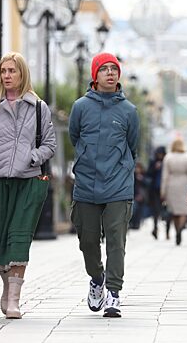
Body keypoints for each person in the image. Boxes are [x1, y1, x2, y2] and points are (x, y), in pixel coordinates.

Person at [0, 51, 56, 319]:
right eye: (3, 71)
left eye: (12, 71)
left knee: (18, 240)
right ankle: (7, 290)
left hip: (28, 183)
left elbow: (49, 145)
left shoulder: (38, 107)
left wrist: (31, 157)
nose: (7, 76)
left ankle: (14, 299)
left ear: (22, 74)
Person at [69, 52, 139, 318]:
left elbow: (132, 147)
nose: (110, 73)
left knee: (116, 241)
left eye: (114, 69)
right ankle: (96, 279)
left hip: (118, 186)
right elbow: (75, 136)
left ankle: (113, 293)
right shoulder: (80, 107)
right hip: (86, 184)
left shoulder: (129, 111)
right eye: (104, 69)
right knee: (87, 241)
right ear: (94, 76)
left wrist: (122, 169)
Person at [161, 139, 187, 246]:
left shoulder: (168, 157)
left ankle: (177, 230)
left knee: (174, 211)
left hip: (171, 184)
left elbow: (165, 175)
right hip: (184, 184)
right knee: (183, 210)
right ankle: (180, 229)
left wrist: (163, 190)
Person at [147, 147, 169, 239]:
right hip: (155, 190)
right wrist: (155, 168)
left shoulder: (167, 162)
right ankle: (155, 228)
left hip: (167, 189)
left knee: (167, 210)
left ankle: (167, 232)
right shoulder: (153, 162)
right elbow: (148, 174)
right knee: (156, 210)